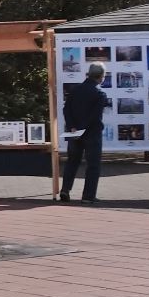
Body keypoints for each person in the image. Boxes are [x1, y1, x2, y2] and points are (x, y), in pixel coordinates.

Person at [60, 62, 112, 203]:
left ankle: (65, 190)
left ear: (88, 74)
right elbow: (94, 116)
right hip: (92, 133)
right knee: (93, 165)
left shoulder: (75, 90)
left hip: (74, 133)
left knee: (72, 161)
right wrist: (83, 127)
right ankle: (88, 197)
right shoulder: (100, 94)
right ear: (101, 76)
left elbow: (66, 110)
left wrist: (72, 127)